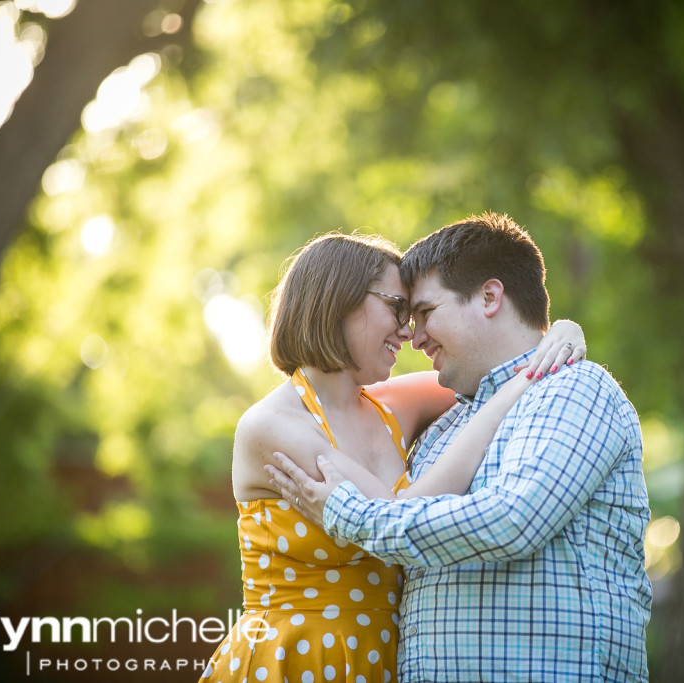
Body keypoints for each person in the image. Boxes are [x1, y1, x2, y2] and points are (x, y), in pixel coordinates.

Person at [269, 213, 653, 682]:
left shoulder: (575, 390)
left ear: (490, 297)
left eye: (426, 314)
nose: (415, 337)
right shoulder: (441, 428)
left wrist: (349, 514)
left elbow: (512, 521)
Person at [199, 231, 585, 683]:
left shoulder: (394, 405)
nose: (409, 331)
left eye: (417, 313)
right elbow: (400, 514)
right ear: (338, 300)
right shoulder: (272, 426)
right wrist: (509, 398)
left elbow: (505, 363)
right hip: (297, 659)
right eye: (397, 308)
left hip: (383, 657)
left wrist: (560, 331)